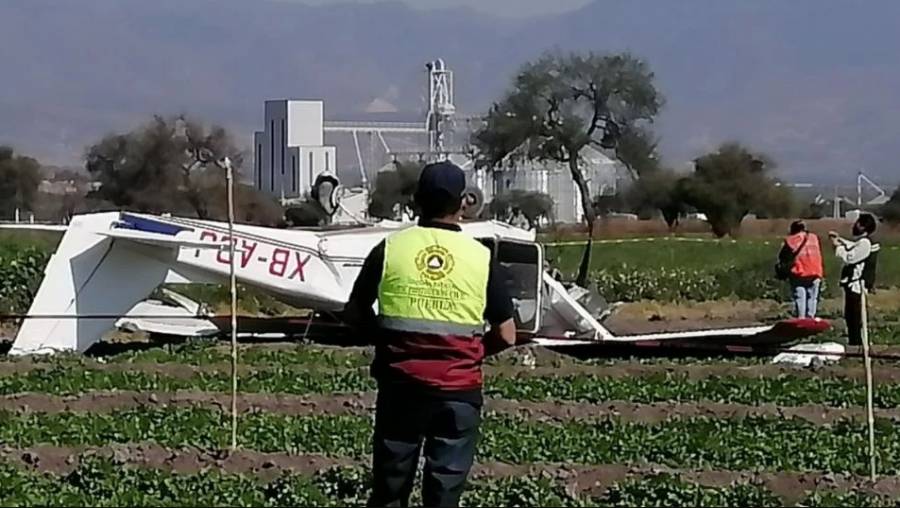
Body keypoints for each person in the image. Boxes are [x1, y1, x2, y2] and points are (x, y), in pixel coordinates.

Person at [343, 161, 517, 508]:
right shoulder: (480, 257)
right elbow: (507, 334)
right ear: (464, 202)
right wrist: (473, 354)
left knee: (390, 491)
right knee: (444, 496)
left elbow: (354, 313)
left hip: (401, 388)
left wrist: (386, 341)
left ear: (417, 201)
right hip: (458, 391)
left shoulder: (390, 248)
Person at [829, 213, 881, 346]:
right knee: (851, 316)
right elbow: (853, 245)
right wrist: (840, 240)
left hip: (856, 285)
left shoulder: (865, 243)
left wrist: (838, 247)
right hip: (853, 285)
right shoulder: (863, 242)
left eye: (858, 223)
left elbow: (850, 257)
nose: (855, 225)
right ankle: (855, 343)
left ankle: (857, 344)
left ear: (863, 226)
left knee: (854, 317)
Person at [777, 220, 824, 318]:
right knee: (813, 298)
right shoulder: (814, 238)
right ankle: (811, 320)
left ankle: (801, 320)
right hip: (816, 272)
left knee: (800, 298)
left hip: (799, 273)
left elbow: (783, 256)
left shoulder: (791, 240)